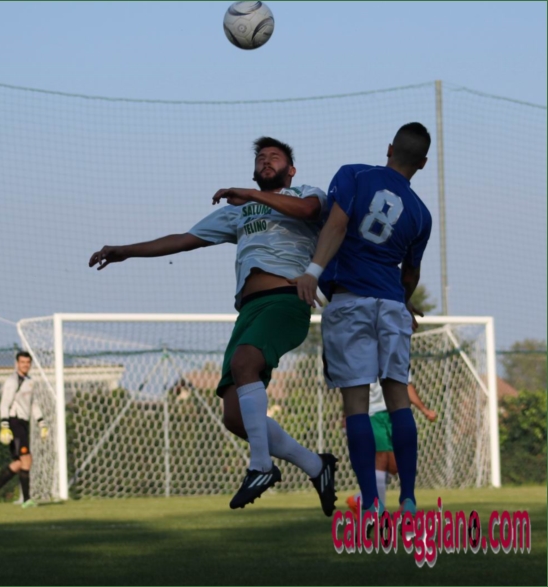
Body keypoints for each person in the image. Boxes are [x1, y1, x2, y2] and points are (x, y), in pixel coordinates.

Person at [89, 137, 337, 513]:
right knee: (235, 417)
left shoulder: (305, 193)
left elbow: (308, 210)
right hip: (249, 311)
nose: (266, 160)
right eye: (261, 157)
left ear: (291, 170)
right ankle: (316, 466)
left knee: (244, 363)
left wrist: (248, 194)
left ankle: (260, 467)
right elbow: (183, 239)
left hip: (287, 301)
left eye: (275, 157)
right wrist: (125, 250)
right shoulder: (240, 213)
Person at [295, 122, 433, 516]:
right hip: (391, 305)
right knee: (398, 401)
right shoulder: (421, 214)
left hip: (350, 301)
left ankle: (371, 503)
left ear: (389, 148)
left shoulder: (354, 174)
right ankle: (408, 498)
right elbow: (410, 274)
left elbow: (337, 225)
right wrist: (404, 302)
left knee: (356, 405)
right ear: (422, 163)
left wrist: (312, 272)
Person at [345, 377, 437, 516]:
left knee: (395, 466)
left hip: (394, 412)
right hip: (373, 413)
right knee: (381, 459)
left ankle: (361, 498)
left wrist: (424, 410)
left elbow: (405, 384)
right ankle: (377, 509)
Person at [0, 351, 48, 509]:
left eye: (27, 362)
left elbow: (34, 403)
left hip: (24, 423)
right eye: (22, 362)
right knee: (27, 459)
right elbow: (4, 404)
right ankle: (27, 500)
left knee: (19, 462)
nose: (25, 365)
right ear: (17, 363)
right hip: (14, 421)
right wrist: (4, 425)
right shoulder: (12, 381)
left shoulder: (30, 381)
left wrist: (41, 423)